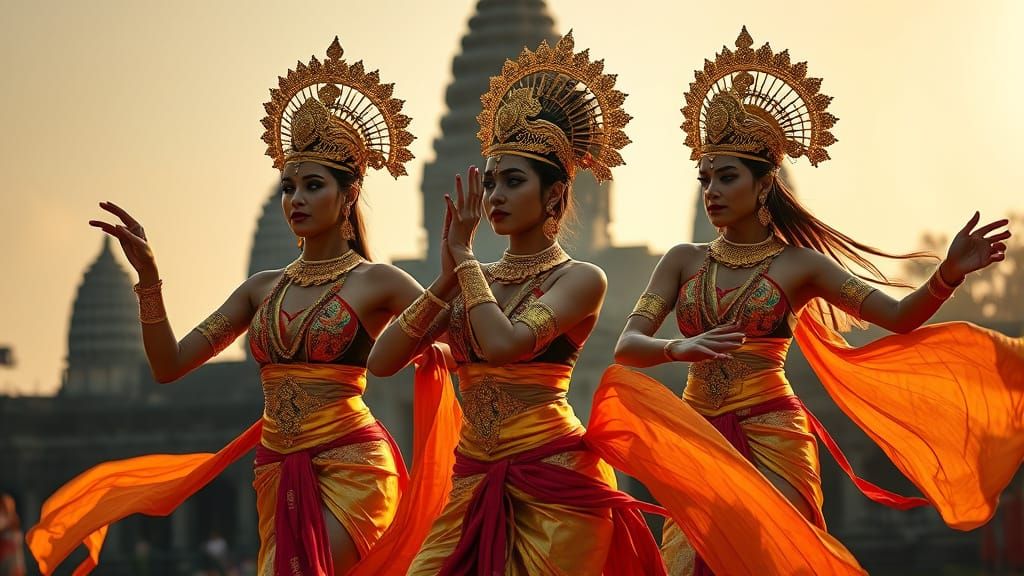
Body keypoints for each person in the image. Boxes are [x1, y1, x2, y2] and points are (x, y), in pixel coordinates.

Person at [26, 38, 459, 576]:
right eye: (289, 186)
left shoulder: (379, 282)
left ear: (348, 196)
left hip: (353, 467)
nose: (295, 199)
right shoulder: (261, 289)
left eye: (313, 185)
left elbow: (463, 341)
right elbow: (168, 365)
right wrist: (151, 282)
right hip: (276, 471)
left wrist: (454, 272)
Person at [610, 27, 1024, 575]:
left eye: (726, 177)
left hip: (772, 432)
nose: (711, 189)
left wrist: (947, 274)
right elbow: (627, 347)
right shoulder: (682, 261)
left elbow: (898, 318)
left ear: (763, 186)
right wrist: (679, 348)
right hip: (698, 434)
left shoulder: (800, 266)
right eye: (704, 178)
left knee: (771, 559)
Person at [371, 32, 669, 575]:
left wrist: (462, 261)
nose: (495, 197)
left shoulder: (581, 279)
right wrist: (444, 279)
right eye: (489, 183)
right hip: (472, 483)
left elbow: (504, 345)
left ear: (554, 195)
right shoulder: (469, 278)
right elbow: (382, 360)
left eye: (512, 181)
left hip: (557, 486)